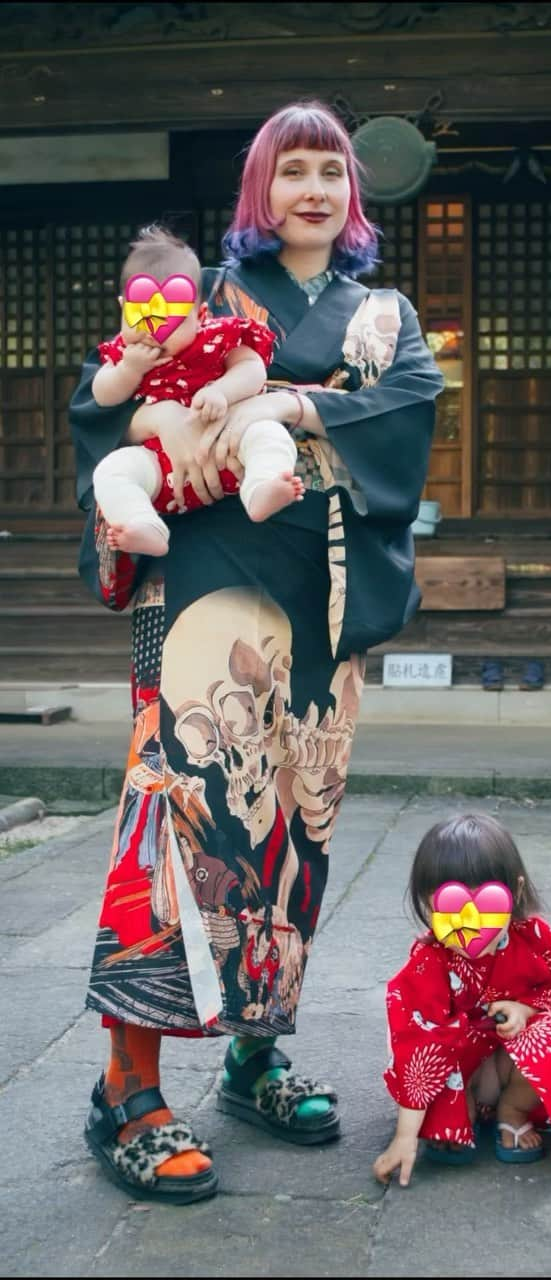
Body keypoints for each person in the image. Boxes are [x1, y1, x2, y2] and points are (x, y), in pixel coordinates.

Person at [70, 99, 444, 1204]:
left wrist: (278, 397)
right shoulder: (209, 295)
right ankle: (124, 1089)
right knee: (173, 834)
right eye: (292, 173)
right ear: (258, 193)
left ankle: (252, 1056)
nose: (315, 191)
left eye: (332, 171)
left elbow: (409, 401)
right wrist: (162, 431)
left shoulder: (385, 310)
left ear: (354, 195)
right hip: (201, 595)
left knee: (295, 839)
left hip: (321, 612)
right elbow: (112, 399)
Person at [372, 812, 551, 1189]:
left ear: (517, 891)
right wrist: (404, 1136)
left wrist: (527, 1009)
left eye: (487, 905)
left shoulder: (537, 940)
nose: (471, 924)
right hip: (461, 1074)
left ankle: (513, 1107)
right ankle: (460, 1115)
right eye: (450, 907)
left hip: (512, 1066)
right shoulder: (428, 961)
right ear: (428, 903)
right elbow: (417, 1048)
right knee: (431, 1049)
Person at [91, 224, 303, 557]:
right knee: (111, 470)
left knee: (268, 434)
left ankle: (262, 487)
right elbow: (103, 395)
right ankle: (144, 525)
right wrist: (129, 370)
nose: (153, 330)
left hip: (231, 449)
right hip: (164, 466)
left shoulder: (215, 339)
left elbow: (253, 369)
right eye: (140, 314)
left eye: (170, 317)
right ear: (123, 308)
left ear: (200, 315)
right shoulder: (122, 355)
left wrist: (222, 391)